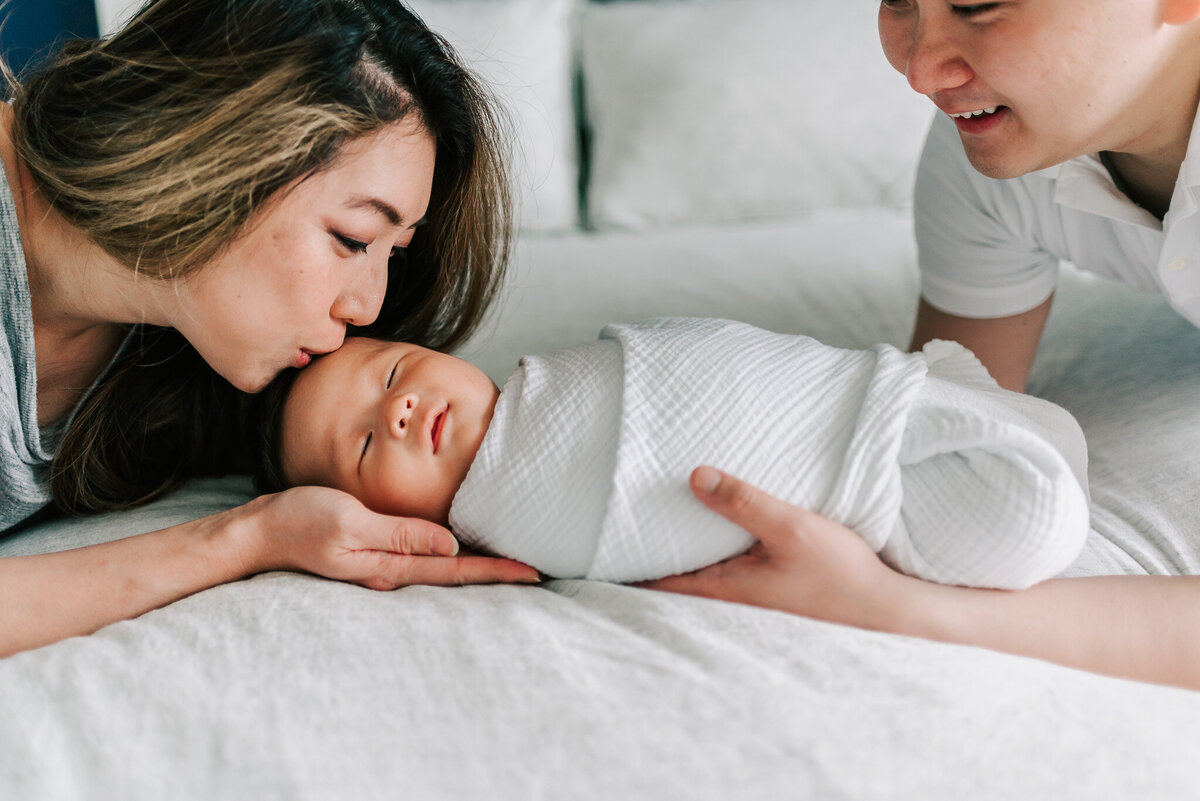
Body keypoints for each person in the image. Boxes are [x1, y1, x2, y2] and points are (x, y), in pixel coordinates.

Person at [644, 0, 1200, 691]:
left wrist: (895, 607)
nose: (920, 70)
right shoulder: (993, 159)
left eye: (978, 4)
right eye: (900, 2)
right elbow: (941, 443)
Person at [0, 0, 539, 659]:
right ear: (217, 155)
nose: (370, 306)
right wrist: (248, 539)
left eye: (393, 254)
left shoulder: (187, 347)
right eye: (354, 237)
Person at [259, 318, 1090, 589]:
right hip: (864, 479)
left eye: (395, 371)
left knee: (1026, 439)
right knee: (1029, 515)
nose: (399, 407)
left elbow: (714, 361)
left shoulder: (556, 373)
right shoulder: (511, 518)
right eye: (367, 442)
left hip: (857, 395)